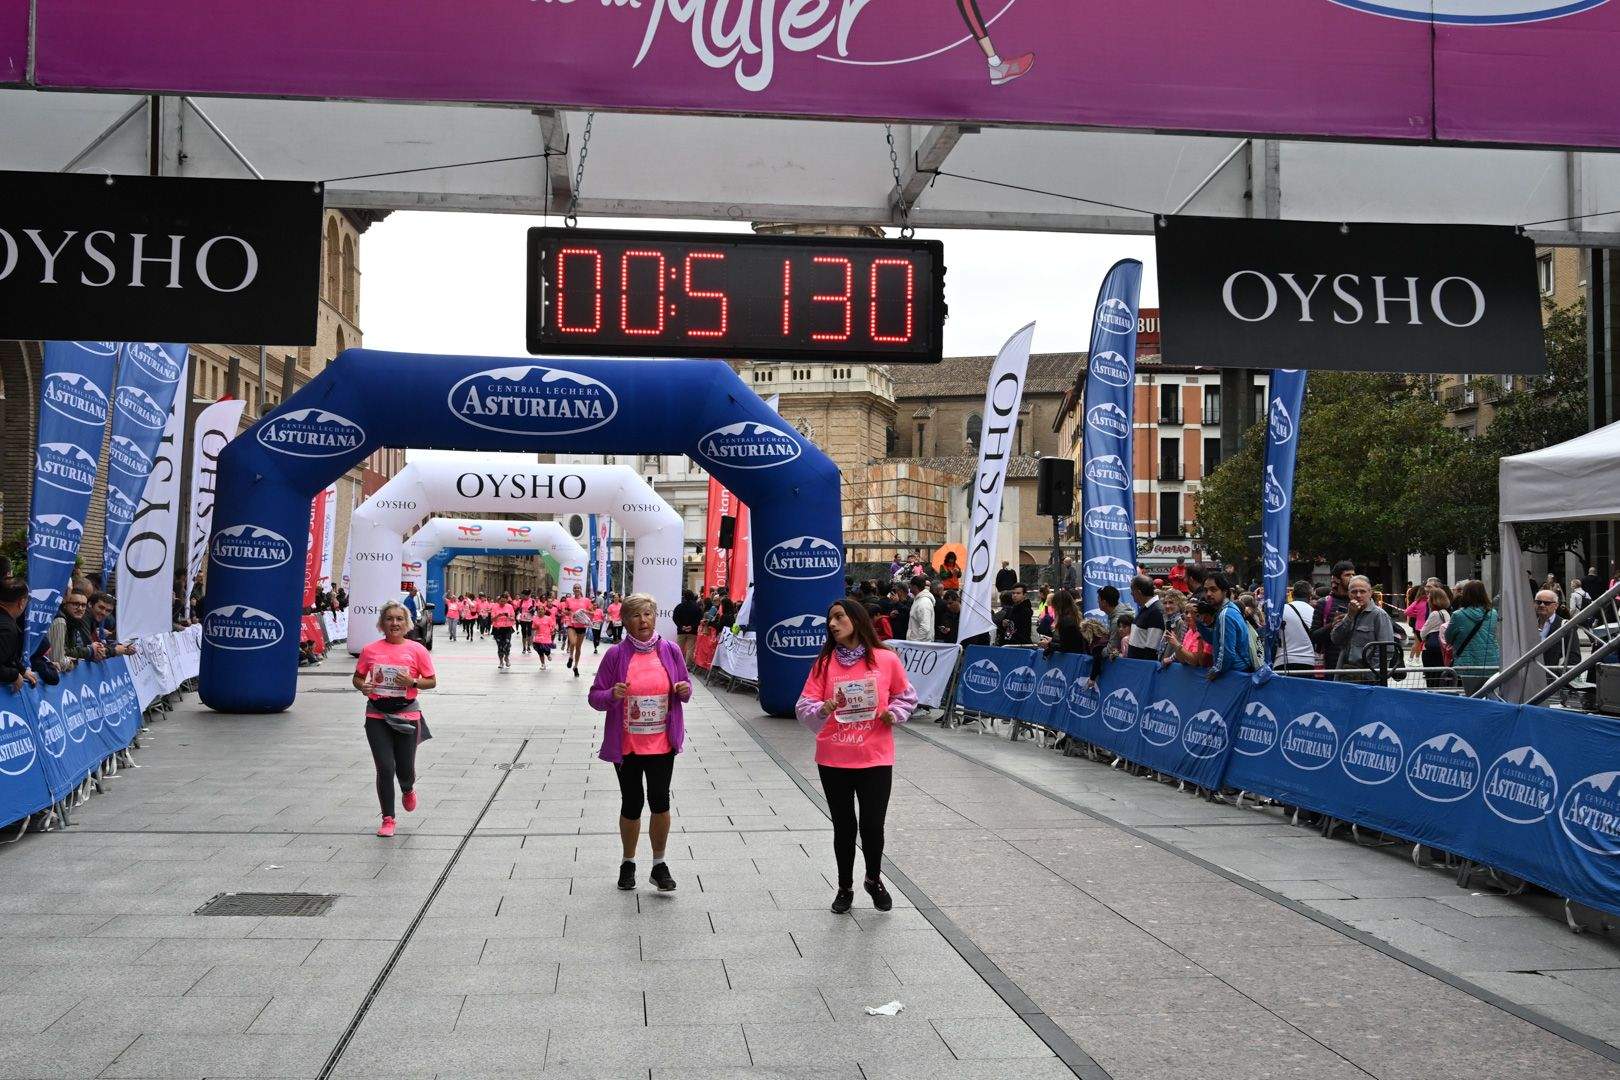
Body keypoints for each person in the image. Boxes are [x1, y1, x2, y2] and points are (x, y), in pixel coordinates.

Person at [796, 598, 917, 914]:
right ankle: (844, 886)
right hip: (834, 757)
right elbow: (804, 705)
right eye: (829, 620)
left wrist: (894, 713)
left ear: (857, 619)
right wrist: (821, 709)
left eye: (839, 617)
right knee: (844, 826)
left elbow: (906, 696)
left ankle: (873, 879)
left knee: (873, 825)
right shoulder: (824, 664)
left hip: (875, 756)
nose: (833, 624)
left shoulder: (885, 659)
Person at [587, 593, 692, 892]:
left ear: (655, 616)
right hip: (627, 746)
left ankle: (659, 865)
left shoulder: (670, 651)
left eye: (647, 614)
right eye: (636, 615)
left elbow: (685, 690)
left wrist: (683, 690)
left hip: (661, 743)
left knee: (660, 802)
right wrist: (611, 695)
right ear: (625, 621)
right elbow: (595, 696)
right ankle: (628, 863)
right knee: (632, 804)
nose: (643, 620)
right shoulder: (616, 656)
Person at [351, 600, 437, 838]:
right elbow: (357, 678)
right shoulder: (370, 650)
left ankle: (408, 788)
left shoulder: (417, 649)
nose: (394, 623)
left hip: (407, 714)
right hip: (376, 714)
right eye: (389, 619)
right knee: (385, 767)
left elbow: (431, 681)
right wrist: (364, 687)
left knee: (405, 769)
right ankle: (388, 818)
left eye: (399, 619)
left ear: (407, 623)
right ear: (382, 623)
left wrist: (413, 682)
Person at [1168, 573, 1255, 679]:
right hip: (1235, 672)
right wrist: (1198, 622)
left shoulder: (1225, 614)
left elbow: (1227, 652)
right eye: (1206, 590)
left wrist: (1216, 670)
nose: (1208, 594)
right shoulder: (1226, 610)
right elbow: (1213, 639)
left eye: (1213, 589)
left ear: (1225, 591)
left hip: (1234, 674)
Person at [1329, 575, 1396, 677]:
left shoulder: (1379, 615)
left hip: (1368, 677)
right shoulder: (1348, 613)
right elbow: (1335, 639)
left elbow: (1386, 650)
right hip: (1345, 673)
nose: (1358, 595)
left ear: (1370, 593)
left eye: (1362, 591)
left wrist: (1372, 675)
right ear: (1348, 593)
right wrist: (1349, 616)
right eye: (1354, 592)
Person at [1445, 579, 1500, 696]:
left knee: (1472, 697)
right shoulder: (1493, 613)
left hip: (1468, 664)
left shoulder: (1458, 615)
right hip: (1491, 662)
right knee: (1491, 696)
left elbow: (1448, 638)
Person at [1311, 560, 1357, 670]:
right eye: (1347, 575)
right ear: (1336, 578)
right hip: (1331, 666)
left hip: (1357, 665)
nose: (1352, 578)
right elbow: (1313, 636)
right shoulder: (1324, 603)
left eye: (1353, 575)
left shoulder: (1361, 602)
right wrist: (1332, 625)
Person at [0, 581, 38, 693]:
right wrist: (14, 675)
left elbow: (8, 656)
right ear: (21, 602)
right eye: (28, 600)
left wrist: (21, 670)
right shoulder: (7, 629)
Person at [1275, 580, 1318, 674]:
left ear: (1292, 595)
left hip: (1282, 661)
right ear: (1310, 596)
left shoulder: (1281, 611)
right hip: (1308, 661)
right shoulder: (1314, 612)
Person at [48, 591, 97, 672]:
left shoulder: (76, 621)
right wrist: (89, 651)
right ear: (65, 604)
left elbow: (70, 650)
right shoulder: (60, 621)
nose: (80, 608)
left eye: (83, 605)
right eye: (75, 604)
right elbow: (59, 657)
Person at [1536, 589, 1582, 669]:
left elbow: (1574, 658)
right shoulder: (1527, 625)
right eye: (1539, 602)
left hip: (1553, 678)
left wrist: (1556, 676)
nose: (1542, 605)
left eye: (1547, 603)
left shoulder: (1566, 626)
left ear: (1556, 606)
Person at [1124, 576, 1165, 660]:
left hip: (1143, 667)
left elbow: (1152, 647)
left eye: (1132, 590)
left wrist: (1145, 668)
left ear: (1139, 592)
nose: (1131, 594)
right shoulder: (1145, 608)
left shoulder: (1155, 611)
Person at [1419, 587, 1453, 687]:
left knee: (1432, 679)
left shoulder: (1434, 614)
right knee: (1441, 678)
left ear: (1435, 600)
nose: (1427, 600)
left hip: (1431, 651)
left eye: (1429, 598)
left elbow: (1422, 633)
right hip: (1442, 650)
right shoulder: (1446, 613)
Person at [87, 593, 135, 658]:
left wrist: (122, 646)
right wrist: (115, 650)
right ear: (90, 604)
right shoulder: (84, 619)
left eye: (108, 611)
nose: (103, 613)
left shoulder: (93, 621)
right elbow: (93, 651)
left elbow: (99, 645)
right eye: (101, 607)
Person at [561, 585, 594, 677]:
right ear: (573, 590)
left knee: (578, 647)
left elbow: (592, 613)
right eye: (575, 588)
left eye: (578, 588)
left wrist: (585, 612)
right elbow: (565, 611)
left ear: (580, 589)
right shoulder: (569, 600)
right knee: (572, 642)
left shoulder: (586, 601)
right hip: (571, 624)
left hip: (581, 625)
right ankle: (571, 656)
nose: (576, 589)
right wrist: (572, 613)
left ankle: (575, 666)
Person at [672, 589, 702, 663]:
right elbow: (699, 619)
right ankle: (688, 665)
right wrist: (692, 626)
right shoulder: (697, 607)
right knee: (690, 649)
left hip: (681, 631)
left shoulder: (679, 606)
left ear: (684, 596)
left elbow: (675, 618)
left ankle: (678, 663)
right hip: (692, 631)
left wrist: (681, 626)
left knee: (679, 648)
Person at [905, 574, 935, 643]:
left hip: (920, 647)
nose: (909, 588)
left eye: (910, 586)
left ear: (915, 587)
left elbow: (925, 628)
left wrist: (916, 643)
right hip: (916, 645)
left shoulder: (924, 603)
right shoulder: (918, 600)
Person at [490, 592, 516, 668]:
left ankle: (507, 657)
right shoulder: (495, 607)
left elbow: (513, 618)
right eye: (501, 601)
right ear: (498, 601)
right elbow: (492, 619)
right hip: (497, 629)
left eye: (504, 601)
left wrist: (508, 616)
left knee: (507, 644)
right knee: (500, 646)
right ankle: (501, 662)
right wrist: (498, 615)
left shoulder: (510, 607)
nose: (502, 603)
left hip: (507, 628)